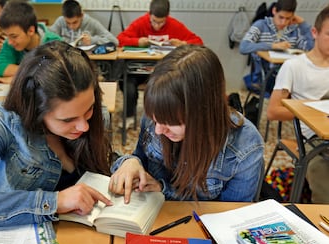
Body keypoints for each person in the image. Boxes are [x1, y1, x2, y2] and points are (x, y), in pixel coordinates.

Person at [0, 41, 113, 228]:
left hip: (78, 233)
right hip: (18, 238)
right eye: (67, 120)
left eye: (89, 109)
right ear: (35, 109)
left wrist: (126, 163)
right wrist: (54, 202)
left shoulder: (95, 116)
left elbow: (99, 161)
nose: (84, 126)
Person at [109, 45, 264, 203]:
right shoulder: (158, 115)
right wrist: (130, 162)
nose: (158, 130)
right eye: (155, 120)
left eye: (171, 123)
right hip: (153, 211)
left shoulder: (245, 145)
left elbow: (229, 215)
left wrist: (163, 189)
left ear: (203, 112)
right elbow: (140, 159)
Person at [267, 6, 329, 204]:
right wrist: (309, 112)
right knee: (320, 166)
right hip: (313, 138)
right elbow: (273, 111)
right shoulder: (294, 66)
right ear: (315, 32)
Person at [117, 0, 203, 123]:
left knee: (175, 84)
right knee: (127, 83)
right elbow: (120, 39)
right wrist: (137, 42)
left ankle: (167, 115)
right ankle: (129, 115)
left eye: (161, 22)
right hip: (140, 69)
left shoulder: (174, 25)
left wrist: (183, 43)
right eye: (154, 21)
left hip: (164, 71)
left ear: (167, 17)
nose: (157, 26)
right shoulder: (141, 22)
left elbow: (198, 42)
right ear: (149, 14)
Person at [239, 0, 314, 93]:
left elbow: (311, 49)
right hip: (266, 74)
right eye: (281, 17)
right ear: (274, 11)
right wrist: (273, 46)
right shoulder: (261, 25)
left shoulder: (294, 30)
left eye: (288, 18)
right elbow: (243, 47)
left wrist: (303, 24)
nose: (283, 22)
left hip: (289, 74)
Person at [0, 1, 62, 82]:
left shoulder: (54, 42)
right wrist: (32, 73)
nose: (9, 42)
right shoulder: (10, 43)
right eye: (7, 36)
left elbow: (55, 73)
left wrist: (16, 79)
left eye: (14, 36)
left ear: (31, 31)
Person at [50, 0, 118, 47]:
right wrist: (62, 41)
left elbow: (114, 41)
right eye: (68, 23)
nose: (71, 26)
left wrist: (92, 40)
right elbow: (47, 39)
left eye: (75, 22)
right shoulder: (60, 21)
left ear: (81, 16)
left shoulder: (91, 22)